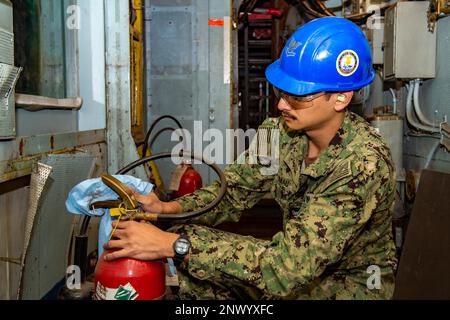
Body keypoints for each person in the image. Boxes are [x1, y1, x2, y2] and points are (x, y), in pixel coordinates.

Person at [103, 17, 398, 300]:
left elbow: (289, 267)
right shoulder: (280, 133)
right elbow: (233, 190)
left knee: (187, 251)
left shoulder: (362, 164)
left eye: (298, 96)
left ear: (341, 98)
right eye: (282, 91)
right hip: (293, 274)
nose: (282, 104)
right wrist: (168, 208)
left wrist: (174, 245)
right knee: (194, 269)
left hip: (345, 286)